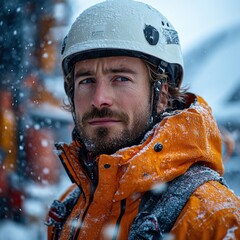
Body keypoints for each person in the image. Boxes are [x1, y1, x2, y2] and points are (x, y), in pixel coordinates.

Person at [46, 0, 240, 239]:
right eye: (86, 81)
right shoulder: (71, 206)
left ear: (162, 95)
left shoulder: (213, 217)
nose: (99, 99)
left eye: (120, 78)